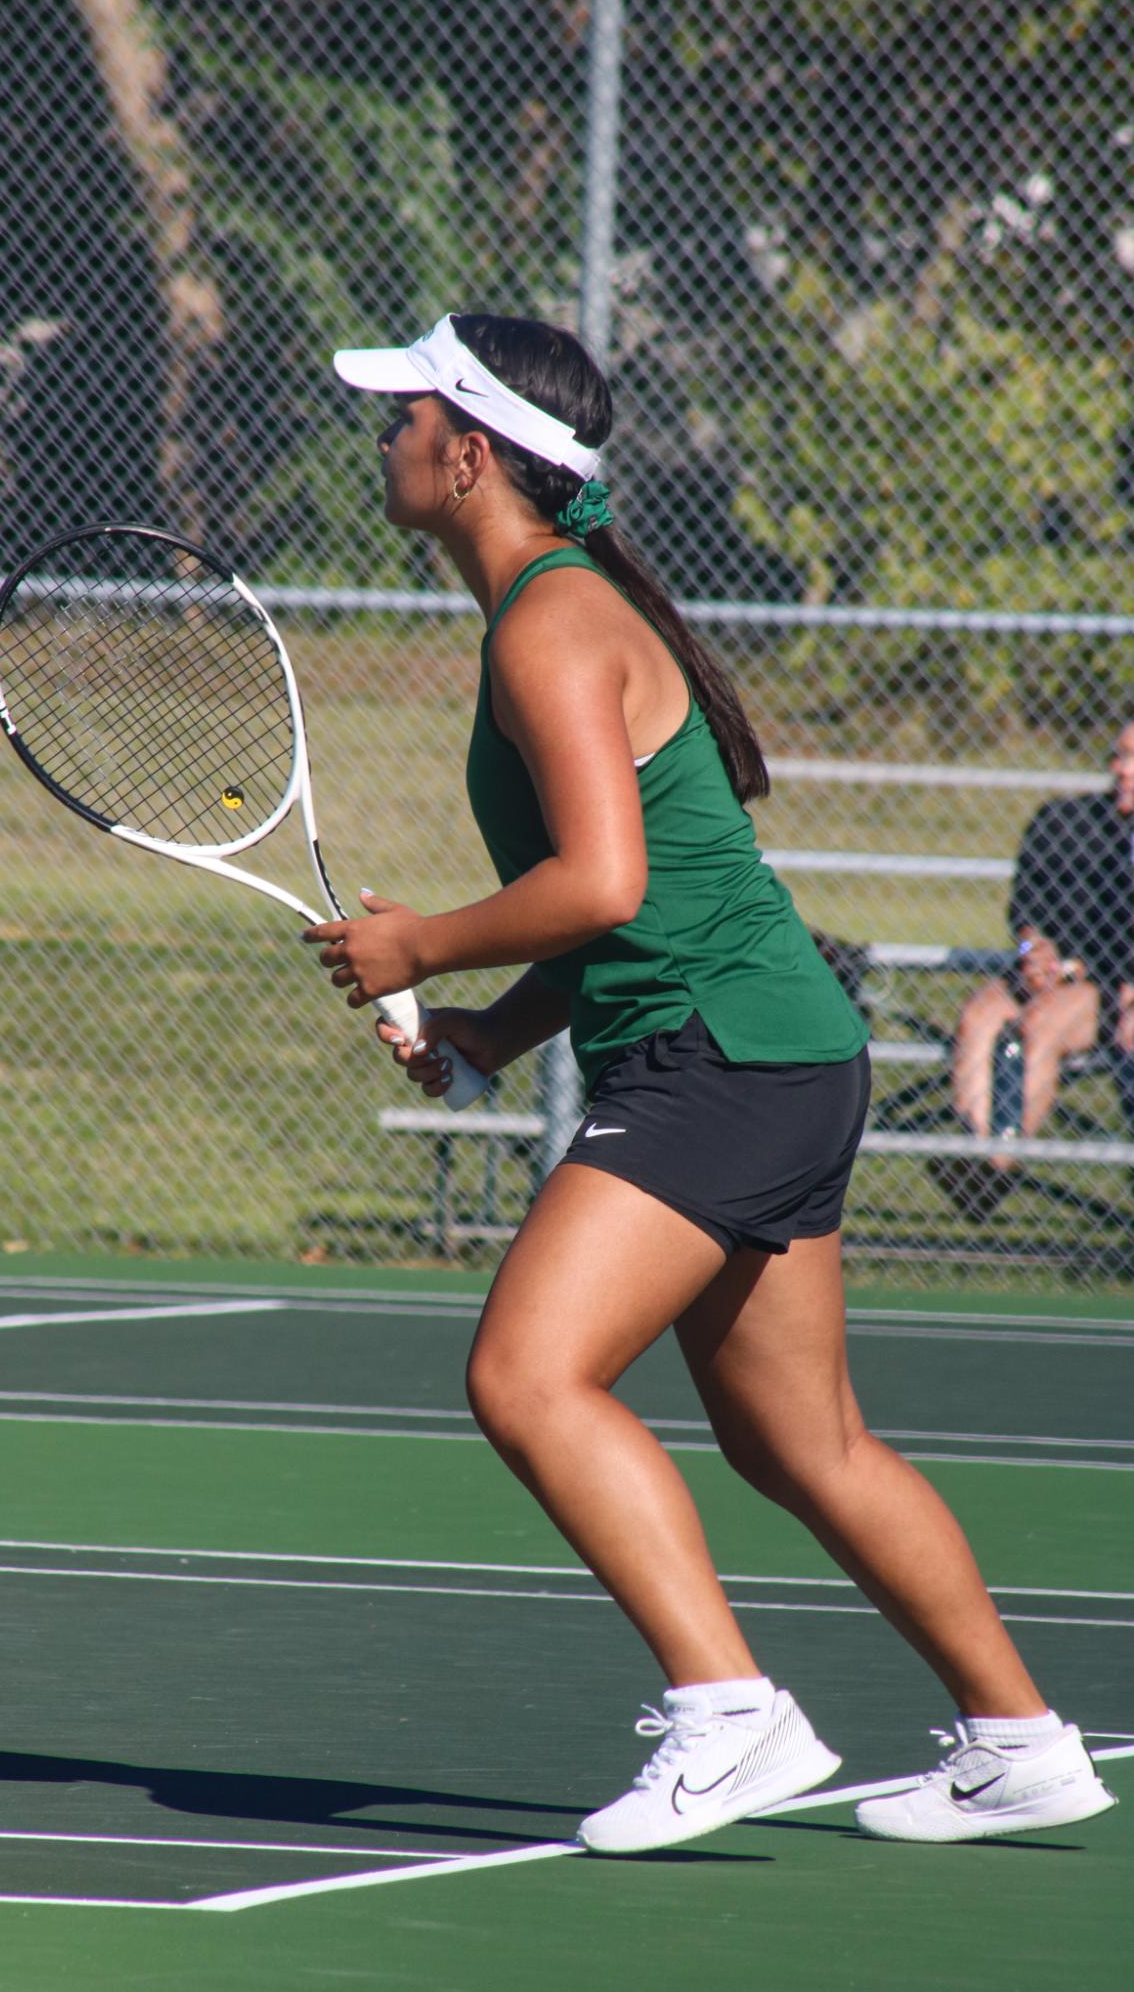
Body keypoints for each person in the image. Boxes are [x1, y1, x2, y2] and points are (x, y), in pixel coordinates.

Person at [306, 312, 1115, 1851]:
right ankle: (1019, 1740)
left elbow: (602, 883)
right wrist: (483, 1025)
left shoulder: (550, 624)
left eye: (401, 413)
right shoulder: (566, 612)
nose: (384, 434)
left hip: (722, 1064)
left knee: (526, 1377)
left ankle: (726, 1712)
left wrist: (418, 939)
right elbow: (653, 892)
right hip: (775, 1048)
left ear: (468, 453)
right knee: (798, 1445)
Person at [939, 724, 1134, 1218]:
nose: (1119, 769)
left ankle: (994, 1169)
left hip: (1112, 985)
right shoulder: (1063, 820)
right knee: (979, 1016)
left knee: (1039, 1025)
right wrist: (1033, 947)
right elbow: (1024, 909)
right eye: (1117, 756)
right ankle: (982, 1155)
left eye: (1132, 760)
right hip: (1044, 974)